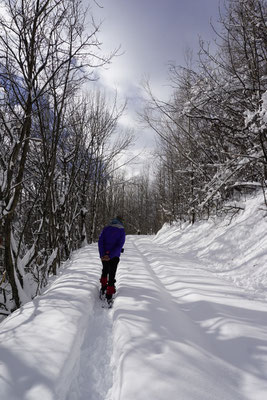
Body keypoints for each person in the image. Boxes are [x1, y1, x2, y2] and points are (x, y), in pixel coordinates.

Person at [98, 215, 125, 303]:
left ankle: (103, 288)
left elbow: (100, 241)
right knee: (112, 273)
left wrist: (103, 254)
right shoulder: (121, 231)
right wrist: (111, 255)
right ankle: (109, 295)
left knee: (105, 270)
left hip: (104, 255)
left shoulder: (106, 229)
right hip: (114, 256)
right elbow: (119, 245)